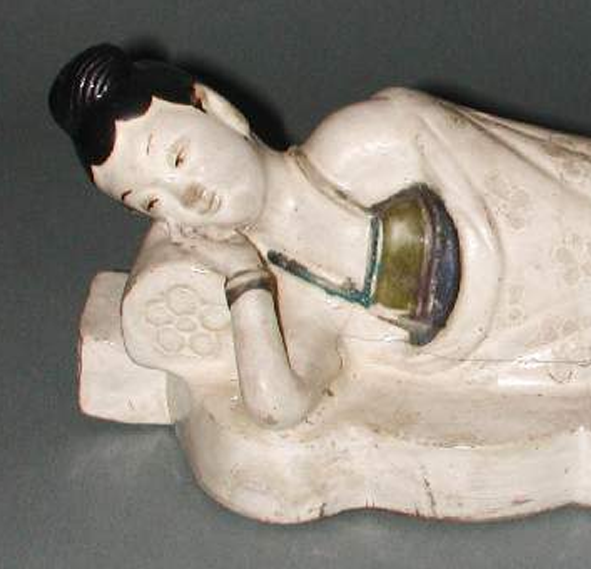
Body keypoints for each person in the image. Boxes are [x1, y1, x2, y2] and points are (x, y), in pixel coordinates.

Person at [51, 44, 591, 427]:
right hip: (546, 344)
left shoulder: (367, 141)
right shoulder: (302, 299)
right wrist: (244, 278)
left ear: (215, 108)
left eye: (178, 157)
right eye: (152, 202)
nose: (189, 196)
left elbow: (542, 179)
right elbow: (277, 408)